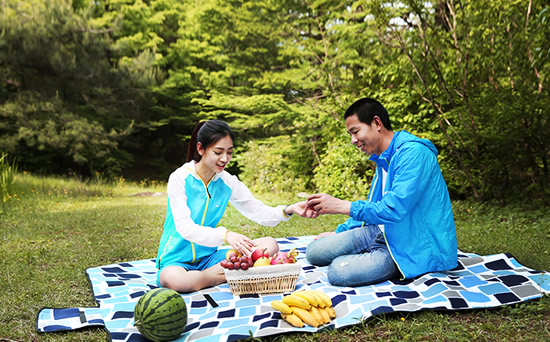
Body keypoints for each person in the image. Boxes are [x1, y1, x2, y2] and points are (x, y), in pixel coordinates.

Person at [306, 98, 457, 287]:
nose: (353, 140)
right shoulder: (383, 159)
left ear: (377, 123)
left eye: (355, 132)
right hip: (382, 232)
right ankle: (365, 255)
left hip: (413, 245)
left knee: (339, 271)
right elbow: (374, 205)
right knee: (314, 251)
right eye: (350, 134)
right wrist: (340, 232)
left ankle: (373, 259)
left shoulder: (414, 154)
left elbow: (393, 209)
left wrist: (342, 206)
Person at [156, 119, 316, 293]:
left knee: (270, 245)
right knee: (176, 281)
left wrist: (289, 209)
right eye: (218, 152)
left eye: (229, 152)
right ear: (200, 149)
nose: (225, 159)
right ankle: (225, 274)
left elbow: (258, 211)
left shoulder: (227, 181)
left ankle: (206, 276)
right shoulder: (180, 178)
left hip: (209, 258)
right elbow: (184, 228)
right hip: (176, 259)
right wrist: (226, 235)